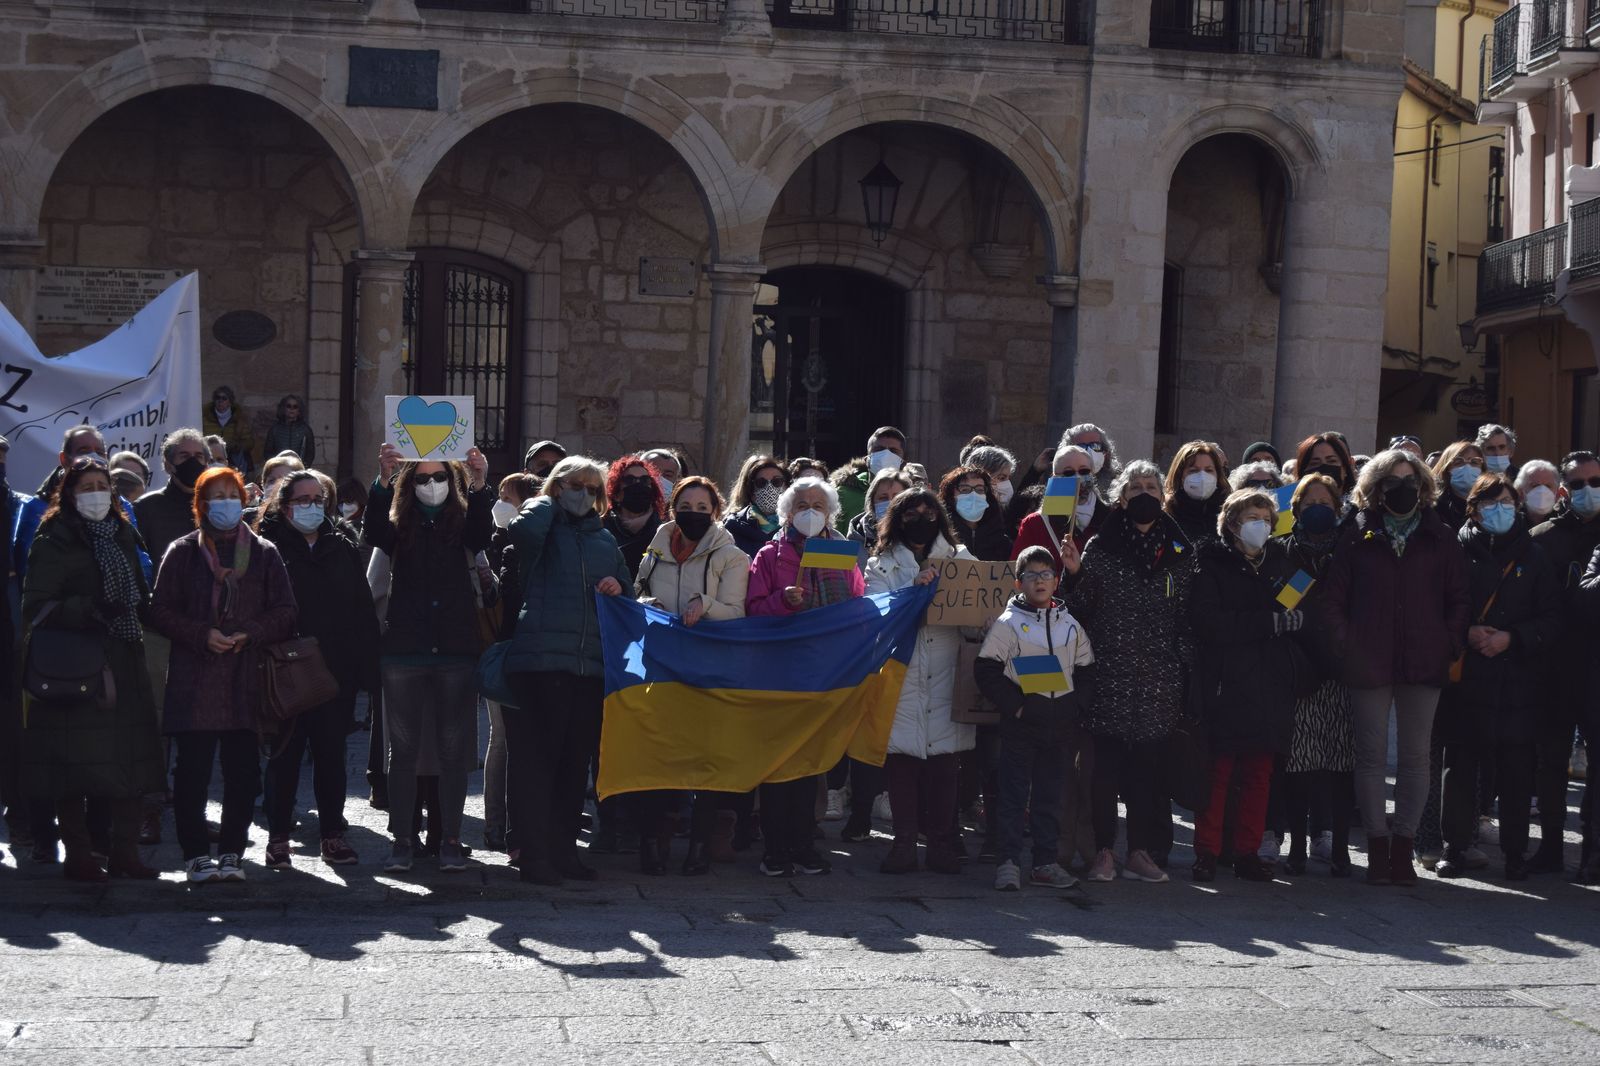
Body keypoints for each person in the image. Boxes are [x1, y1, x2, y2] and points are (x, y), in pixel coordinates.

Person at [1319, 449, 1469, 887]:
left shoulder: (1442, 537)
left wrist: (1451, 641)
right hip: (1369, 659)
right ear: (1376, 488)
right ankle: (1378, 847)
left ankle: (1403, 848)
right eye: (1392, 480)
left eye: (1409, 480)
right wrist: (1348, 641)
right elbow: (1333, 599)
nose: (1401, 488)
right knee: (1369, 756)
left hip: (1425, 659)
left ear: (1422, 486)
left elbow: (1459, 598)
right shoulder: (1357, 535)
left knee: (1415, 756)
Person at [19, 456, 163, 882]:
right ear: (69, 493)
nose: (96, 493)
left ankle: (123, 854)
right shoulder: (53, 537)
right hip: (75, 664)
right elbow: (36, 606)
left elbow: (141, 592)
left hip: (125, 656)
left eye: (103, 484)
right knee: (71, 766)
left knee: (129, 762)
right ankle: (78, 855)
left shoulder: (122, 532)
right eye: (86, 486)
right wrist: (89, 609)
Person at [150, 465, 297, 883]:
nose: (226, 504)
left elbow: (286, 611)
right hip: (194, 678)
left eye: (232, 495)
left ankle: (232, 852)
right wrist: (202, 634)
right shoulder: (182, 552)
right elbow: (159, 609)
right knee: (192, 773)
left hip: (245, 677)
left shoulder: (264, 552)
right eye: (216, 497)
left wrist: (249, 634)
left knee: (243, 772)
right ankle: (195, 854)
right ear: (200, 505)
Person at [361, 443, 493, 874]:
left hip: (455, 649)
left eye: (440, 478)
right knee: (404, 751)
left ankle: (451, 840)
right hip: (405, 650)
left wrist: (478, 484)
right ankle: (403, 840)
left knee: (456, 750)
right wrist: (382, 481)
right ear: (410, 484)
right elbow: (374, 534)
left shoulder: (462, 520)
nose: (432, 485)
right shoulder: (401, 524)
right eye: (422, 478)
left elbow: (481, 535)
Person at [502, 456, 631, 885]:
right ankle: (533, 855)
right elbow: (521, 533)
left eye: (592, 488)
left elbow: (627, 594)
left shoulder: (605, 541)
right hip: (540, 662)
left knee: (574, 766)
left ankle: (563, 852)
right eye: (573, 484)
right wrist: (544, 501)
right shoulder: (542, 526)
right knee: (537, 763)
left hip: (588, 666)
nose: (583, 493)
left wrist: (616, 589)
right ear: (556, 487)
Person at [1066, 459, 1195, 883]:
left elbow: (1187, 618)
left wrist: (1181, 663)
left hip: (1159, 678)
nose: (1144, 494)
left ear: (1163, 496)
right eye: (1135, 487)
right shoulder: (1100, 548)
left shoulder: (1180, 551)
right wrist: (1075, 576)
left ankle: (1138, 851)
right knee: (1105, 771)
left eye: (1152, 488)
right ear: (1120, 499)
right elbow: (1082, 608)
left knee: (1146, 773)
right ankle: (1104, 851)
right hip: (1109, 675)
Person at [1434, 474, 1559, 881]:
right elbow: (1437, 606)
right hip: (1467, 676)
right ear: (1474, 509)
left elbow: (1552, 617)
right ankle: (1453, 847)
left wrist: (1513, 638)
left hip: (1517, 678)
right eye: (1491, 503)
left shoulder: (1534, 555)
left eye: (1506, 501)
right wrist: (1466, 632)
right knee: (1460, 768)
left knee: (1517, 771)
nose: (1500, 510)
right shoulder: (1454, 550)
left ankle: (1515, 853)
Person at [254, 470, 379, 868]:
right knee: (284, 754)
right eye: (301, 499)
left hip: (334, 668)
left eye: (317, 499)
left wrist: (366, 668)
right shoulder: (265, 547)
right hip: (284, 666)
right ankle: (278, 837)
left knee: (331, 754)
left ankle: (332, 834)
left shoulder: (340, 544)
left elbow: (361, 607)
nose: (310, 507)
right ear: (284, 503)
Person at [1188, 488, 1312, 883]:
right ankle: (1207, 851)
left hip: (1270, 683)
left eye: (1265, 518)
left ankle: (1248, 851)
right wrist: (1266, 623)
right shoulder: (1210, 563)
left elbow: (1302, 604)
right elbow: (1210, 623)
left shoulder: (1282, 562)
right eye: (1250, 518)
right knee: (1218, 773)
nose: (1259, 526)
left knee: (1260, 775)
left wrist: (1291, 621)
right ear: (1231, 523)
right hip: (1226, 682)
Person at [747, 476, 864, 876]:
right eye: (801, 506)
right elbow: (753, 610)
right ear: (787, 513)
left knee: (812, 762)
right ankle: (775, 846)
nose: (809, 512)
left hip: (824, 671)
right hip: (781, 672)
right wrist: (783, 601)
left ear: (831, 512)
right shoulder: (769, 556)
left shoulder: (840, 555)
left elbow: (857, 603)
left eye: (817, 505)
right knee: (780, 762)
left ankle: (803, 841)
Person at [634, 476, 750, 874]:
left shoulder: (732, 557)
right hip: (662, 667)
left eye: (703, 508)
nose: (694, 514)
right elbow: (636, 596)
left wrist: (707, 604)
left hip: (710, 668)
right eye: (687, 506)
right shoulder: (654, 552)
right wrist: (647, 602)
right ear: (673, 508)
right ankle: (653, 841)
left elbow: (737, 612)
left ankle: (699, 846)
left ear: (716, 512)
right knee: (659, 755)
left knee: (706, 758)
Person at [975, 545, 1096, 891]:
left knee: (1050, 796)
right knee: (1013, 795)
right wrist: (1018, 706)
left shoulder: (1071, 626)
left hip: (1060, 727)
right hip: (1021, 726)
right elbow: (986, 670)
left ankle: (1044, 863)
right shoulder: (1007, 624)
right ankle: (1008, 862)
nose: (1040, 581)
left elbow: (1087, 670)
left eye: (1046, 575)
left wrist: (1076, 706)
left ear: (1056, 582)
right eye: (1032, 576)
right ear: (1018, 583)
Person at [866, 487, 973, 876]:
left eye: (929, 513)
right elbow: (878, 611)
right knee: (902, 764)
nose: (921, 521)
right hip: (903, 672)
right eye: (911, 514)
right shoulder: (882, 564)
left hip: (947, 669)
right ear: (897, 520)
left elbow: (978, 609)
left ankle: (942, 843)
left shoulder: (962, 560)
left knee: (945, 764)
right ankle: (904, 843)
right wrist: (914, 590)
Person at [1279, 474, 1355, 877]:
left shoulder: (1352, 551)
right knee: (1300, 764)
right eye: (1308, 502)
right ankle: (1295, 848)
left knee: (1340, 763)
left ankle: (1339, 846)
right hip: (1303, 669)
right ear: (1295, 509)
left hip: (1343, 671)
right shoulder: (1284, 553)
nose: (1317, 508)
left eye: (1325, 501)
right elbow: (1284, 606)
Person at [1529, 450, 1600, 874]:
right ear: (1562, 490)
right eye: (1577, 484)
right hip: (1554, 665)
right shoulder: (1542, 538)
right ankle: (1550, 847)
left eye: (1595, 481)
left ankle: (1593, 849)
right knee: (1550, 760)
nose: (1587, 491)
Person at [483, 472, 540, 853]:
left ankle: (527, 827)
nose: (500, 503)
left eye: (506, 495)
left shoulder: (535, 542)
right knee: (502, 738)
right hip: (507, 651)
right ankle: (496, 824)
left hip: (535, 652)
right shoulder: (500, 544)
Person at [1012, 444, 1102, 571]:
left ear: (1092, 474)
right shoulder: (1035, 523)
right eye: (1068, 472)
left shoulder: (1111, 519)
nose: (1077, 478)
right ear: (1055, 477)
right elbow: (1018, 571)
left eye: (1084, 471)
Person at [135, 429, 209, 564]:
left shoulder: (213, 506)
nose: (192, 462)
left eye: (198, 456)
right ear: (168, 465)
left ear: (206, 465)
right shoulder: (144, 508)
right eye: (184, 456)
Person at [602, 455, 666, 580]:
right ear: (616, 494)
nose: (638, 485)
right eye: (629, 480)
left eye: (645, 481)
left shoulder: (664, 532)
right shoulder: (601, 529)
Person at [836, 426, 908, 530]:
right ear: (867, 460)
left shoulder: (911, 497)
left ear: (903, 462)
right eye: (879, 450)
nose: (886, 455)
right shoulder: (842, 495)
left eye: (893, 451)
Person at [1164, 440, 1230, 549]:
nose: (1202, 477)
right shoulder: (1167, 516)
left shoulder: (1230, 516)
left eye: (1209, 470)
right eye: (1193, 471)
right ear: (1180, 476)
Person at [939, 466, 1013, 563]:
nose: (973, 495)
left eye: (979, 490)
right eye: (965, 490)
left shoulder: (1002, 543)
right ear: (951, 497)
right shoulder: (941, 538)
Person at [722, 455, 789, 559]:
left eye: (777, 482)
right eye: (761, 483)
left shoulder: (796, 528)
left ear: (786, 488)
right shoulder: (731, 529)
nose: (769, 488)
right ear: (751, 492)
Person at [849, 468, 913, 562]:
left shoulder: (917, 537)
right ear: (872, 503)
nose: (891, 503)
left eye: (897, 498)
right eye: (883, 498)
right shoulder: (857, 537)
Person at [1431, 440, 1486, 533]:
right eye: (1458, 462)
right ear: (1446, 469)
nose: (1467, 467)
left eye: (1474, 462)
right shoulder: (1434, 507)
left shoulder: (1491, 504)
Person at [203, 385, 257, 475]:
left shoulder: (239, 420)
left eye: (224, 398)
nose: (220, 401)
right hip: (212, 457)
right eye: (217, 398)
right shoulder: (205, 419)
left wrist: (237, 446)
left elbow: (250, 442)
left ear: (230, 402)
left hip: (233, 459)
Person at [1293, 433, 1358, 502]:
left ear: (1345, 469)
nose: (1324, 467)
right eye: (1315, 463)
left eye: (1332, 461)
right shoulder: (1286, 501)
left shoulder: (1358, 504)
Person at [262, 394, 316, 464]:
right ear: (283, 409)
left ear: (299, 410)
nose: (292, 409)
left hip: (299, 469)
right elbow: (268, 452)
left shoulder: (305, 430)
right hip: (279, 469)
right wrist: (276, 465)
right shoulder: (275, 429)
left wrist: (304, 467)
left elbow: (310, 454)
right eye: (288, 406)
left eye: (295, 407)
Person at [1514, 460, 1560, 526]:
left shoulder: (1565, 524)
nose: (1542, 491)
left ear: (1557, 493)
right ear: (1521, 492)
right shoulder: (1510, 523)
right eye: (1535, 486)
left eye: (1548, 486)